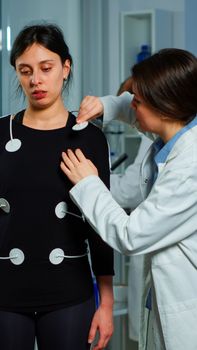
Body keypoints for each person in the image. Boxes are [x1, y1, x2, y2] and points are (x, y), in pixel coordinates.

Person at [60, 48, 197, 350]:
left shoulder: (190, 166)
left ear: (166, 107)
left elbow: (131, 236)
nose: (131, 105)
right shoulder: (174, 134)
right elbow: (131, 110)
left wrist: (89, 184)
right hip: (159, 300)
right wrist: (104, 105)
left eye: (138, 100)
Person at [0, 23, 114, 350]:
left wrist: (105, 304)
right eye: (25, 71)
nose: (35, 80)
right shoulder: (1, 133)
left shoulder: (88, 136)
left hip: (68, 292)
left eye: (46, 68)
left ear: (65, 68)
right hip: (6, 290)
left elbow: (100, 225)